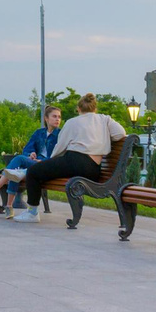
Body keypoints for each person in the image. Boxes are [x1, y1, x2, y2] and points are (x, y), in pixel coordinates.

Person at [11, 93, 127, 223]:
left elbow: (60, 147)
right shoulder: (105, 119)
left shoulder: (73, 122)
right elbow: (120, 133)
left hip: (75, 162)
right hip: (93, 170)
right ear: (95, 108)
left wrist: (49, 162)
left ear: (79, 109)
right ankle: (29, 202)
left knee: (34, 171)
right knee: (38, 170)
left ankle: (32, 213)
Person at [0, 105, 62, 213]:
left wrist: (43, 161)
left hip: (47, 165)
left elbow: (59, 154)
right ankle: (8, 206)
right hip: (34, 162)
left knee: (17, 164)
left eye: (59, 117)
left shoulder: (61, 135)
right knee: (15, 171)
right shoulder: (39, 133)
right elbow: (27, 148)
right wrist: (31, 154)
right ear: (46, 118)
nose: (57, 119)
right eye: (54, 116)